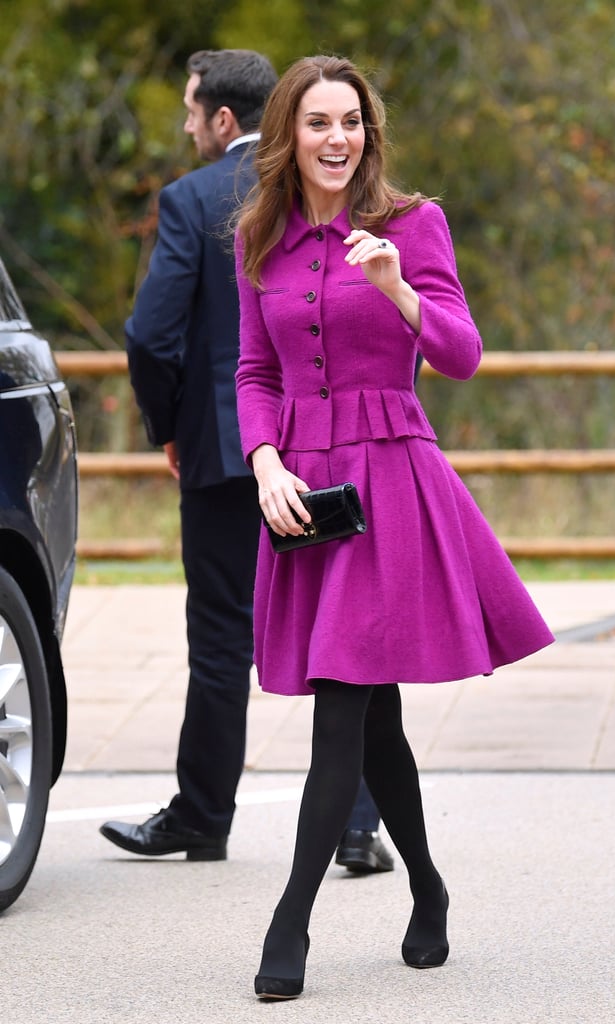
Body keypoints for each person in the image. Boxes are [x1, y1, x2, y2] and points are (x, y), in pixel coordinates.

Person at [234, 55, 555, 1000]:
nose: (338, 139)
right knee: (373, 721)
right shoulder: (260, 238)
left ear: (369, 134)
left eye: (352, 122)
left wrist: (399, 291)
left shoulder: (413, 226)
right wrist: (263, 465)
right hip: (305, 489)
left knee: (342, 700)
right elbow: (254, 373)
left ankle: (288, 921)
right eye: (318, 122)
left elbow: (460, 355)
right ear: (288, 134)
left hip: (392, 487)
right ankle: (428, 887)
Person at [99, 49, 393, 873]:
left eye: (193, 110)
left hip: (226, 457)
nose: (189, 125)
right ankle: (357, 826)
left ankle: (202, 816)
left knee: (222, 640)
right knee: (343, 631)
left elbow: (150, 335)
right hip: (324, 451)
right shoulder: (341, 194)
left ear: (225, 118)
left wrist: (171, 426)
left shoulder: (193, 200)